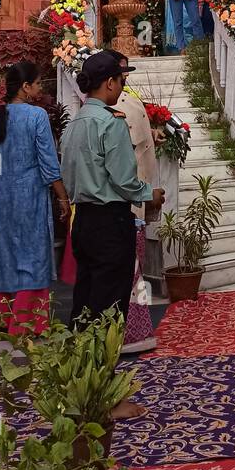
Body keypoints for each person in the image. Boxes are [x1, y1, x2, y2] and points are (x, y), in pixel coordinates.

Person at [61, 51, 164, 326]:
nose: (121, 87)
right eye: (120, 80)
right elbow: (123, 179)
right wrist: (148, 195)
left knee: (86, 295)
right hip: (110, 220)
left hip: (82, 217)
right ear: (109, 83)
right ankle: (103, 361)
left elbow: (67, 174)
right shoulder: (111, 121)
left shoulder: (74, 124)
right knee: (110, 301)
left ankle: (82, 360)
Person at [0, 61, 69, 337]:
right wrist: (63, 198)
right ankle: (27, 321)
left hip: (1, 198)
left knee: (0, 255)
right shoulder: (36, 116)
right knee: (31, 256)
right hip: (29, 197)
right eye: (38, 83)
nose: (40, 89)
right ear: (26, 87)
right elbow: (49, 164)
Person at [109, 51, 161, 355]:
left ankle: (138, 329)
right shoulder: (111, 109)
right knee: (128, 267)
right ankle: (128, 332)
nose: (125, 77)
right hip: (126, 197)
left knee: (135, 265)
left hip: (136, 191)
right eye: (121, 73)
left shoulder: (128, 99)